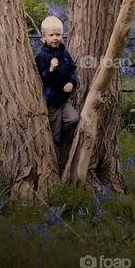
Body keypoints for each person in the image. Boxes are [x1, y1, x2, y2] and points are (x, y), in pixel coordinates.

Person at [34, 15, 80, 169]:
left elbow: (72, 71)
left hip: (63, 100)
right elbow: (41, 79)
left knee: (73, 119)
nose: (55, 38)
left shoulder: (65, 54)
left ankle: (65, 145)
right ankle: (57, 165)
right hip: (51, 102)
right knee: (55, 135)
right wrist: (51, 69)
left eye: (58, 34)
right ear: (43, 38)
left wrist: (71, 82)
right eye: (51, 35)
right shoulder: (42, 56)